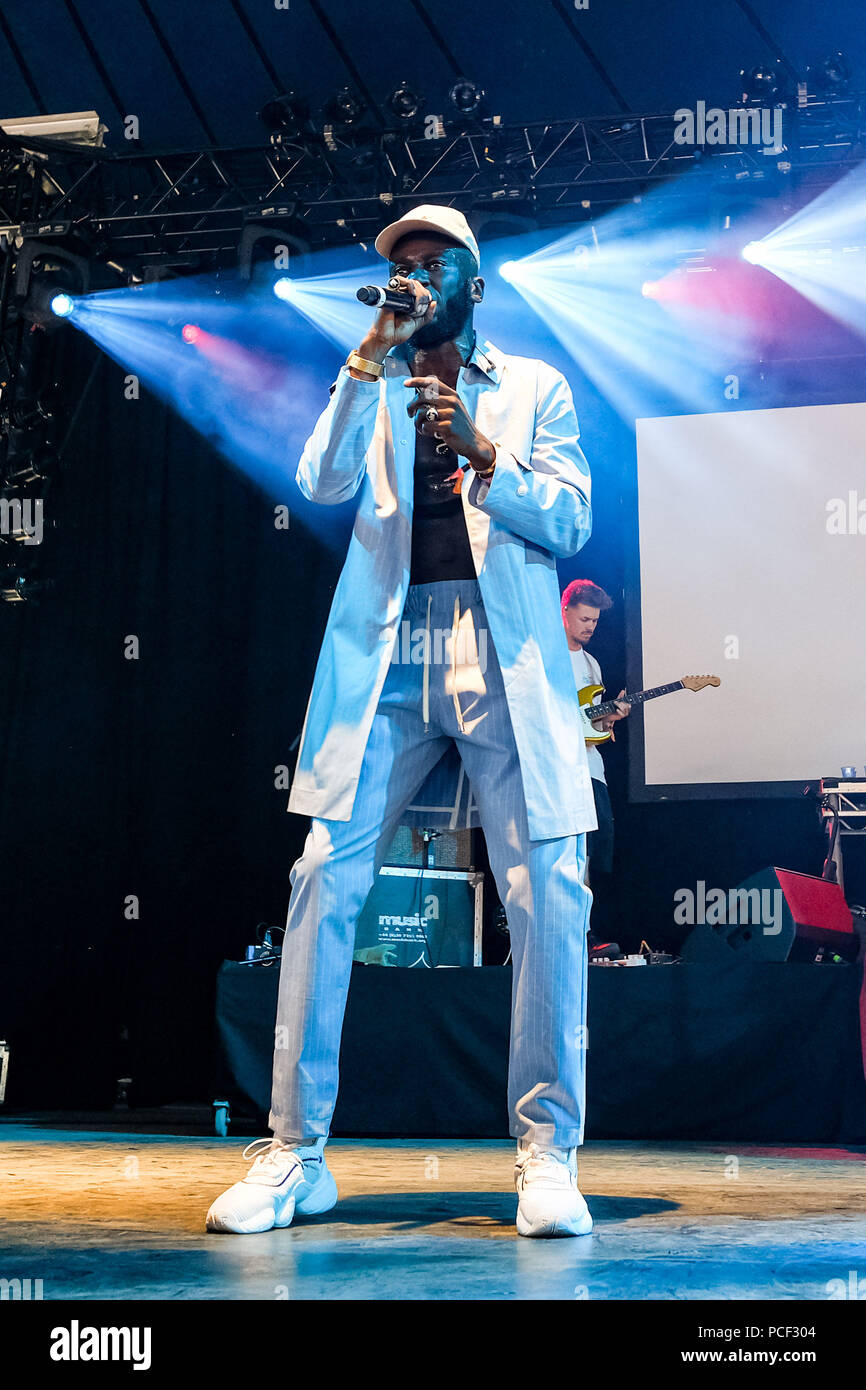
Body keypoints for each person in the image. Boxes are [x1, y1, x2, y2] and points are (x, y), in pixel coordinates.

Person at [207, 204, 597, 1239]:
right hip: (388, 646)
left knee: (546, 891)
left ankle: (546, 1150)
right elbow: (319, 481)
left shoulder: (533, 390)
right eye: (401, 267)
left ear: (475, 280)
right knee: (320, 878)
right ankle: (295, 1154)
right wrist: (363, 360)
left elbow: (568, 518)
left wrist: (479, 450)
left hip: (497, 646)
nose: (415, 277)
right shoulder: (370, 377)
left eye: (434, 264)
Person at [561, 580, 630, 883]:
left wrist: (611, 717)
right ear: (565, 612)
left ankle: (584, 929)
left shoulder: (592, 664)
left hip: (591, 769)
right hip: (559, 768)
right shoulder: (546, 657)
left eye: (595, 621)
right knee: (563, 850)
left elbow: (596, 726)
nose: (591, 627)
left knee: (589, 853)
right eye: (584, 619)